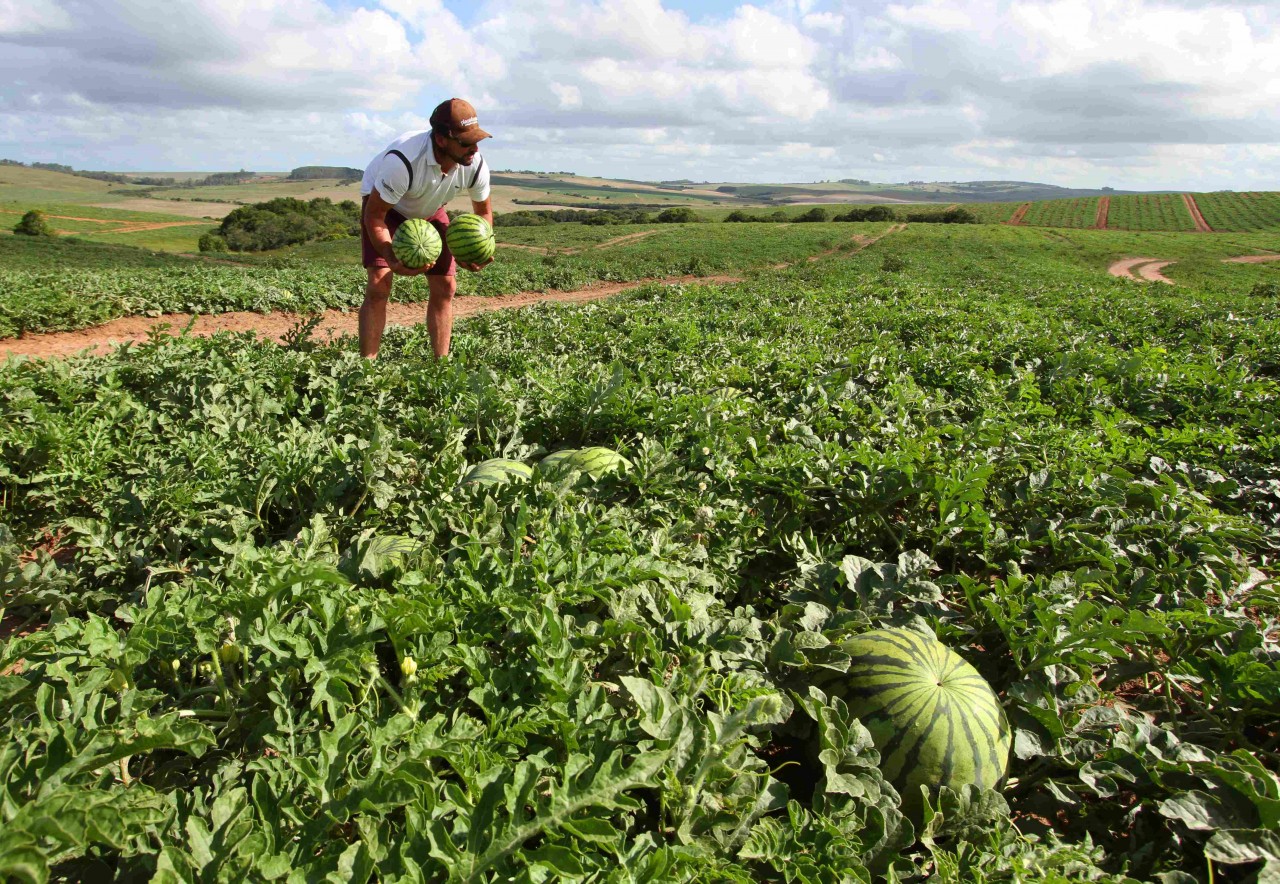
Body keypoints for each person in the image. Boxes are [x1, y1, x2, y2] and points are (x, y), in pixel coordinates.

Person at [358, 98, 494, 358]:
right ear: (442, 139)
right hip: (388, 208)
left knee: (446, 285)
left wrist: (475, 252)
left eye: (477, 140)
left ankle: (440, 364)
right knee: (379, 283)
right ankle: (367, 367)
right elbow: (374, 216)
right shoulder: (403, 162)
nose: (474, 149)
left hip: (431, 207)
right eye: (466, 142)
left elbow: (483, 213)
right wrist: (390, 256)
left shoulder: (474, 164)